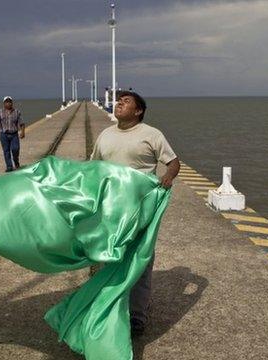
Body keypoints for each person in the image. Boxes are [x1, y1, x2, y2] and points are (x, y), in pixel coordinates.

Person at [90, 90, 180, 335]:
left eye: (126, 101)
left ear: (138, 110)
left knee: (140, 260)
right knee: (108, 257)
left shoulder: (151, 134)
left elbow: (173, 162)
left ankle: (137, 316)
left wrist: (167, 178)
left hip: (140, 208)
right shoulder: (105, 135)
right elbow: (93, 168)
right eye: (118, 100)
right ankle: (109, 306)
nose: (119, 102)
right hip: (110, 208)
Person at [0, 96, 26, 172]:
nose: (8, 103)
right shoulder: (0, 112)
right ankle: (9, 166)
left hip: (14, 134)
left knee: (15, 149)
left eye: (10, 102)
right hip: (4, 135)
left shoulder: (17, 112)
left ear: (12, 103)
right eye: (6, 102)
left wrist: (23, 132)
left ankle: (16, 160)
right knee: (6, 151)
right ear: (4, 103)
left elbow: (22, 123)